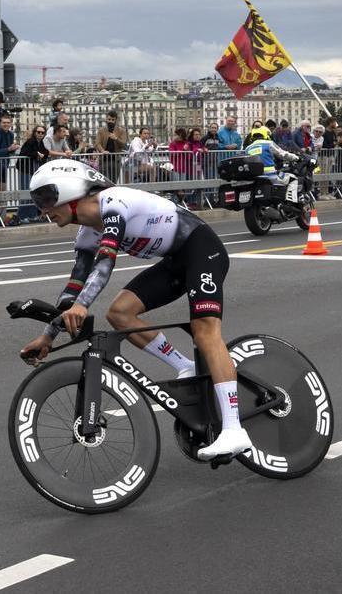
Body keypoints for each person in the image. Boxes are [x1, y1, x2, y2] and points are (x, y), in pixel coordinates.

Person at [19, 159, 252, 460]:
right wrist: (48, 336)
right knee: (119, 313)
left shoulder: (114, 202)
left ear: (70, 191)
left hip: (202, 249)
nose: (43, 209)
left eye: (46, 198)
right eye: (37, 201)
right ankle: (185, 366)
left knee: (204, 330)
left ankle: (234, 430)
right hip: (174, 262)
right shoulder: (87, 233)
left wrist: (80, 306)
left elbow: (106, 263)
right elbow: (74, 287)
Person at [244, 126, 300, 200]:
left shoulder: (248, 148)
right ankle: (292, 201)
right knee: (293, 178)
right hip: (270, 175)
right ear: (265, 134)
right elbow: (283, 154)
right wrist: (296, 158)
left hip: (255, 177)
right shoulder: (268, 143)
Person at [15, 125, 49, 224]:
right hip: (25, 170)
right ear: (35, 133)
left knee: (33, 193)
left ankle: (32, 215)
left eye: (42, 133)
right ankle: (21, 216)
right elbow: (25, 152)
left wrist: (42, 154)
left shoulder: (40, 143)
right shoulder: (30, 141)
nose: (40, 134)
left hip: (32, 170)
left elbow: (45, 152)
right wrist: (37, 154)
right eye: (38, 132)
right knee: (26, 192)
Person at [94, 110, 128, 183]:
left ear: (116, 120)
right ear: (106, 119)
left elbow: (124, 144)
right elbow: (97, 143)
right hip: (104, 160)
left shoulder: (121, 131)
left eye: (113, 120)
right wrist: (102, 151)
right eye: (109, 119)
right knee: (104, 181)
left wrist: (116, 139)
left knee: (113, 182)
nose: (111, 121)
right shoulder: (101, 130)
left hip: (116, 161)